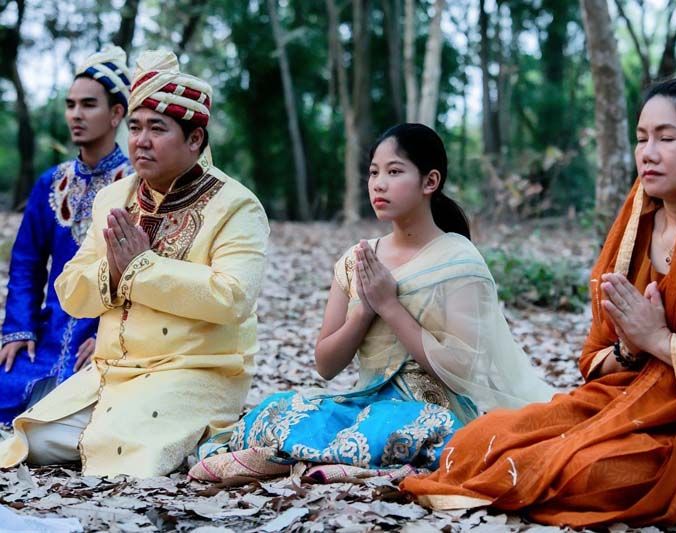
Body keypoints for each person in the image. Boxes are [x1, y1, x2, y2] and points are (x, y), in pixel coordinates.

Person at [401, 78, 676, 527]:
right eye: (641, 138)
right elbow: (596, 360)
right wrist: (631, 347)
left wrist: (660, 340)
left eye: (667, 138)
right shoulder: (636, 226)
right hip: (620, 400)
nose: (648, 153)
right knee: (476, 442)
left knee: (586, 472)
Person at [188, 123, 555, 482]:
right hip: (366, 403)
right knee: (274, 412)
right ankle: (324, 457)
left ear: (430, 181)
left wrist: (390, 306)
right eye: (374, 172)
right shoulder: (357, 260)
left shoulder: (458, 261)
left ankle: (318, 458)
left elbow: (460, 367)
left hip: (434, 412)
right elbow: (326, 365)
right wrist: (363, 312)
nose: (378, 183)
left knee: (395, 428)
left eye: (394, 171)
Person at [0, 49, 270, 477]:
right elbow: (70, 290)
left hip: (191, 371)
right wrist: (114, 270)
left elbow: (233, 297)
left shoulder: (237, 205)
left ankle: (199, 433)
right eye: (136, 127)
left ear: (195, 139)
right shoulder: (116, 197)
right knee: (32, 440)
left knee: (127, 454)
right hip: (112, 371)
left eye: (157, 129)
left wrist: (142, 268)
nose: (141, 140)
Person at [0, 46, 132, 424]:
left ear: (116, 114)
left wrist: (112, 337)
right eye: (70, 104)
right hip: (49, 333)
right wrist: (19, 329)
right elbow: (26, 264)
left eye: (89, 105)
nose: (76, 114)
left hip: (104, 339)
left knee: (96, 403)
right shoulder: (51, 183)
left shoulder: (137, 187)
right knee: (10, 382)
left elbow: (144, 276)